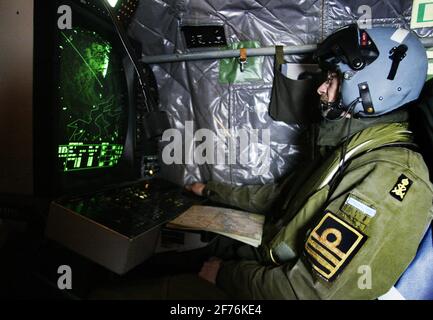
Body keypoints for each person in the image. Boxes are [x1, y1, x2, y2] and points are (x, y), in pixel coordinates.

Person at [187, 24, 433, 299]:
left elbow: (308, 292)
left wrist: (223, 275)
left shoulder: (388, 175)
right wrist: (210, 190)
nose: (320, 89)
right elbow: (283, 195)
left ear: (372, 89)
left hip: (279, 274)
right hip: (272, 252)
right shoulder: (351, 150)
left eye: (333, 79)